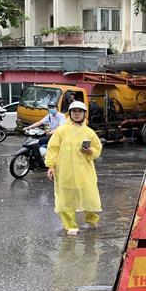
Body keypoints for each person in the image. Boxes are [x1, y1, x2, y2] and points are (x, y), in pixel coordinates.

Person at [45, 101, 102, 236]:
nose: (77, 114)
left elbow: (97, 149)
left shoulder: (89, 132)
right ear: (70, 114)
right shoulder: (61, 131)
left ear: (84, 114)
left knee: (90, 197)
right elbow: (53, 149)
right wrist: (51, 166)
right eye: (74, 111)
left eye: (80, 111)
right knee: (66, 199)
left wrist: (90, 151)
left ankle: (92, 219)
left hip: (85, 171)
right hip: (65, 171)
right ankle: (70, 225)